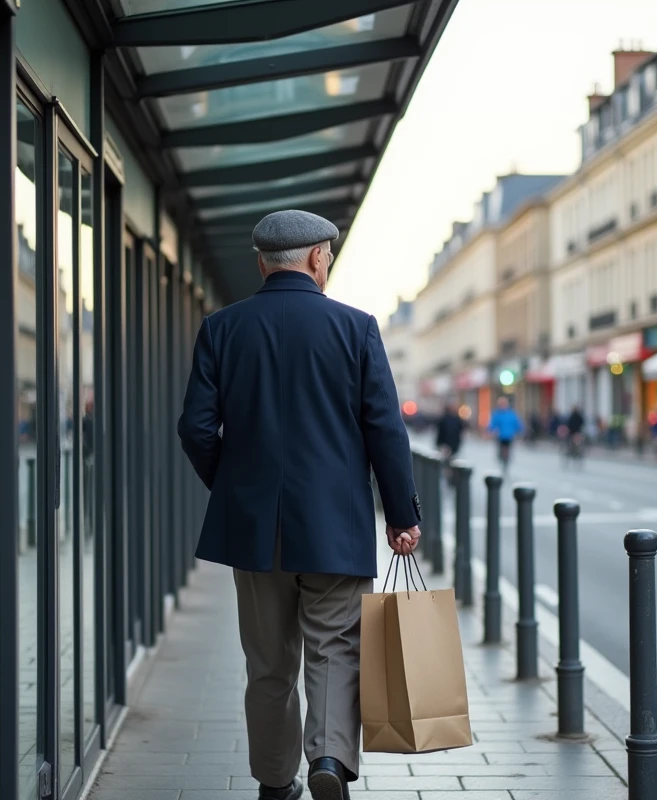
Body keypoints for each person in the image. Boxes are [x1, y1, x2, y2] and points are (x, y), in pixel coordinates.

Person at [178, 209, 421, 800]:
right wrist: (402, 515)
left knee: (267, 664)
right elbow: (385, 428)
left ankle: (273, 781)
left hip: (255, 529)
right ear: (318, 258)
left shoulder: (222, 328)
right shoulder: (356, 328)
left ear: (263, 263)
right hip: (335, 528)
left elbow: (196, 429)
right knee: (335, 649)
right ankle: (330, 761)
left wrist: (235, 488)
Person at [486, 396, 524, 466]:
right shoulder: (497, 414)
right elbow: (493, 423)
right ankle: (501, 458)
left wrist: (521, 431)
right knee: (501, 449)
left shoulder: (511, 414)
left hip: (509, 436)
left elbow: (517, 423)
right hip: (500, 436)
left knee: (507, 449)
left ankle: (506, 460)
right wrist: (489, 430)